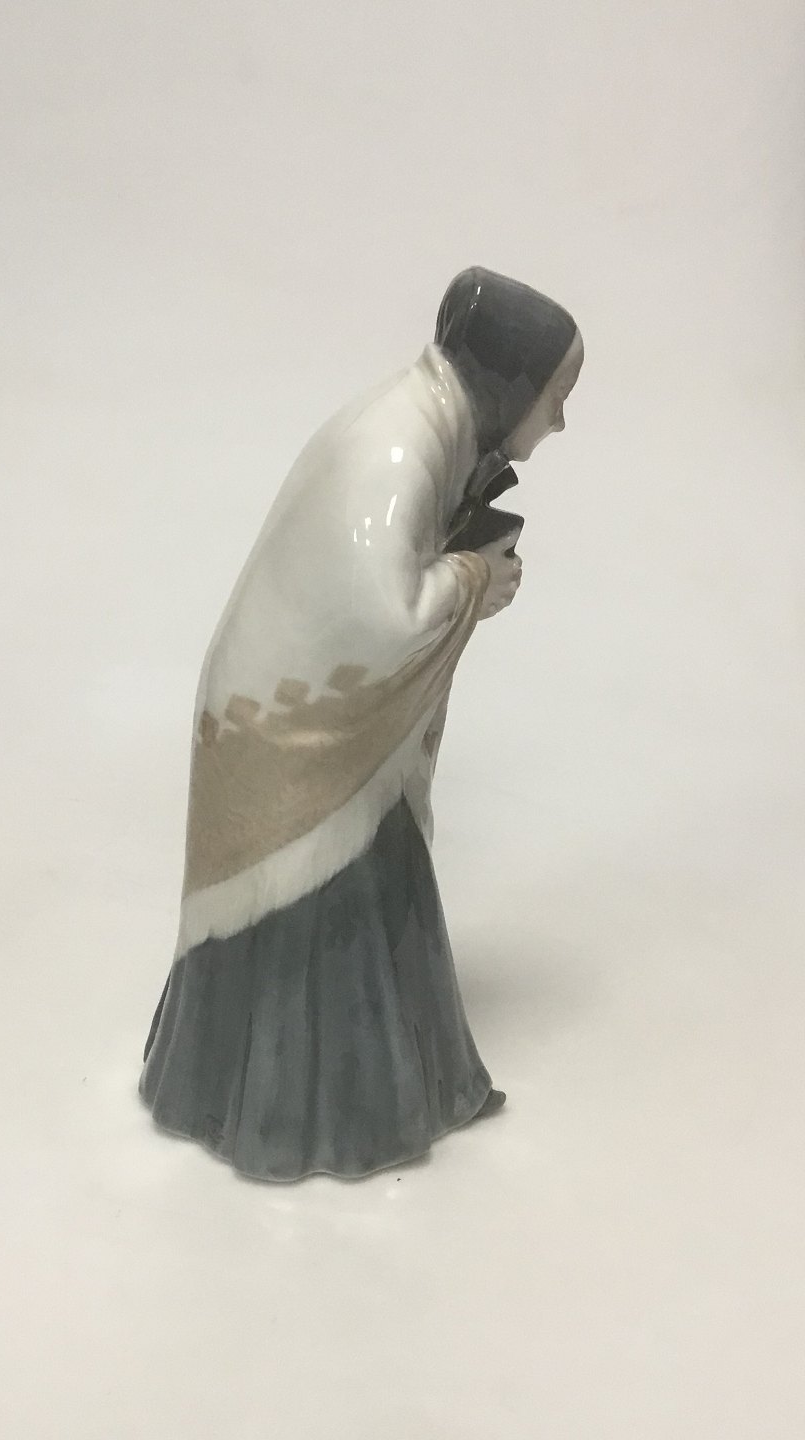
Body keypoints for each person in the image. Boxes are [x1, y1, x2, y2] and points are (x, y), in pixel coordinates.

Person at [139, 267, 584, 1181]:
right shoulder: (397, 448)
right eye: (555, 396)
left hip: (333, 732)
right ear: (510, 386)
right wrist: (476, 579)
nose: (560, 422)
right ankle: (310, 1118)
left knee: (379, 889)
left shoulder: (428, 427)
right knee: (313, 910)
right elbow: (384, 615)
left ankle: (393, 1094)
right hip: (295, 739)